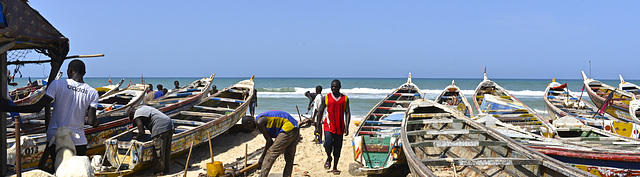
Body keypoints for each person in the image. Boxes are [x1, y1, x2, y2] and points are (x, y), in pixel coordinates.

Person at [0, 59, 100, 172]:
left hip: (56, 139)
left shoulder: (58, 84)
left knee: (59, 170)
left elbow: (37, 108)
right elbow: (92, 121)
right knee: (78, 171)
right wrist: (96, 122)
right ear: (84, 73)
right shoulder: (92, 92)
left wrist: (7, 108)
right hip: (78, 141)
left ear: (69, 71)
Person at [242, 110, 299, 177]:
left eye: (248, 127)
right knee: (289, 158)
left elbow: (269, 141)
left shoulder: (259, 122)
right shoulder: (260, 118)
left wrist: (262, 157)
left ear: (250, 123)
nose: (250, 129)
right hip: (295, 127)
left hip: (288, 128)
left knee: (270, 154)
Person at [314, 79, 350, 174]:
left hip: (340, 127)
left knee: (337, 148)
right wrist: (317, 126)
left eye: (336, 86)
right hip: (328, 125)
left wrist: (347, 126)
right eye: (332, 86)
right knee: (327, 144)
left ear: (339, 87)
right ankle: (329, 157)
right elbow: (320, 112)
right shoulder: (326, 98)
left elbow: (347, 113)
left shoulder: (345, 98)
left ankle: (335, 167)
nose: (333, 88)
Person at [126, 105, 174, 175]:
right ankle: (166, 169)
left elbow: (142, 132)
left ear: (131, 114)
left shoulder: (137, 115)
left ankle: (159, 171)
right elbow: (145, 120)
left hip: (160, 127)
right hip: (169, 124)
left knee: (159, 151)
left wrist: (136, 138)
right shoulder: (143, 108)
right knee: (166, 149)